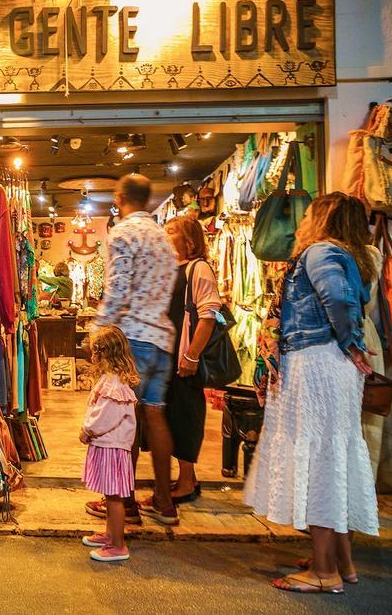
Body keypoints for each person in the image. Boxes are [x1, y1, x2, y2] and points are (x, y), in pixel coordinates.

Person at [245, 192, 379, 594]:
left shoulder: (320, 251)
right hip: (331, 361)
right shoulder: (355, 256)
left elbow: (337, 300)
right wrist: (351, 343)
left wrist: (351, 341)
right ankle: (342, 562)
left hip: (316, 360)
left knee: (320, 457)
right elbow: (353, 301)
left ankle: (324, 573)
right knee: (333, 455)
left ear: (323, 219)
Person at [87, 174, 179, 526]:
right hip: (161, 338)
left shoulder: (124, 233)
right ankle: (164, 501)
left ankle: (124, 503)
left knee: (123, 420)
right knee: (155, 414)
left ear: (119, 196)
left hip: (133, 339)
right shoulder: (164, 238)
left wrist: (98, 330)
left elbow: (118, 288)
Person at [163, 215, 223, 504]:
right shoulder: (175, 268)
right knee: (174, 415)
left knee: (187, 415)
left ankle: (186, 480)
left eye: (171, 231)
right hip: (170, 357)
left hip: (184, 356)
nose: (165, 234)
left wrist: (191, 355)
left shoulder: (198, 268)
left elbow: (209, 315)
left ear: (188, 240)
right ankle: (187, 477)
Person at [79, 325, 139, 562]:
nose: (92, 357)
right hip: (108, 445)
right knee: (110, 494)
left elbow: (104, 416)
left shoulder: (114, 385)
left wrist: (87, 430)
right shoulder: (111, 380)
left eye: (95, 352)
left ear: (104, 355)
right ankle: (110, 534)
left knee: (114, 497)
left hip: (112, 446)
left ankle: (118, 545)